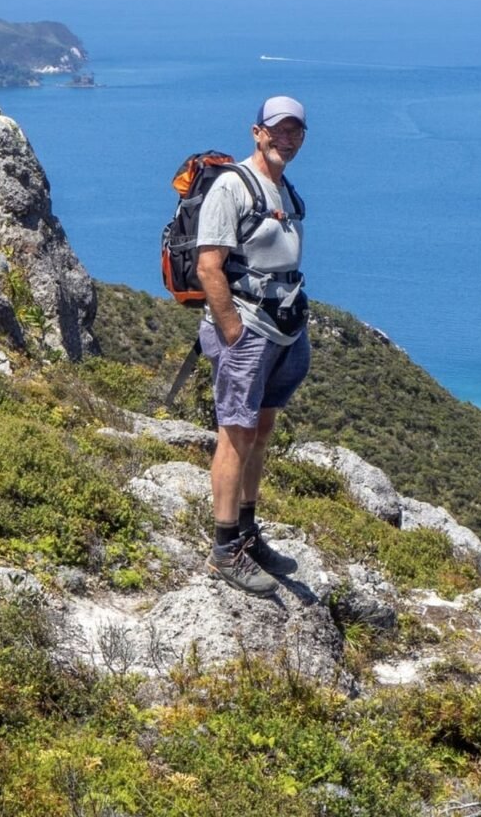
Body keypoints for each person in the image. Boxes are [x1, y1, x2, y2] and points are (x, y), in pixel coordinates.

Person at [195, 95, 310, 594]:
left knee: (260, 430)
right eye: (278, 129)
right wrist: (232, 332)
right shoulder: (232, 186)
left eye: (295, 131)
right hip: (247, 328)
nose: (287, 138)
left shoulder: (284, 189)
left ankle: (246, 532)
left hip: (283, 327)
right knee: (236, 434)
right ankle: (225, 549)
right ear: (257, 132)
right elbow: (209, 267)